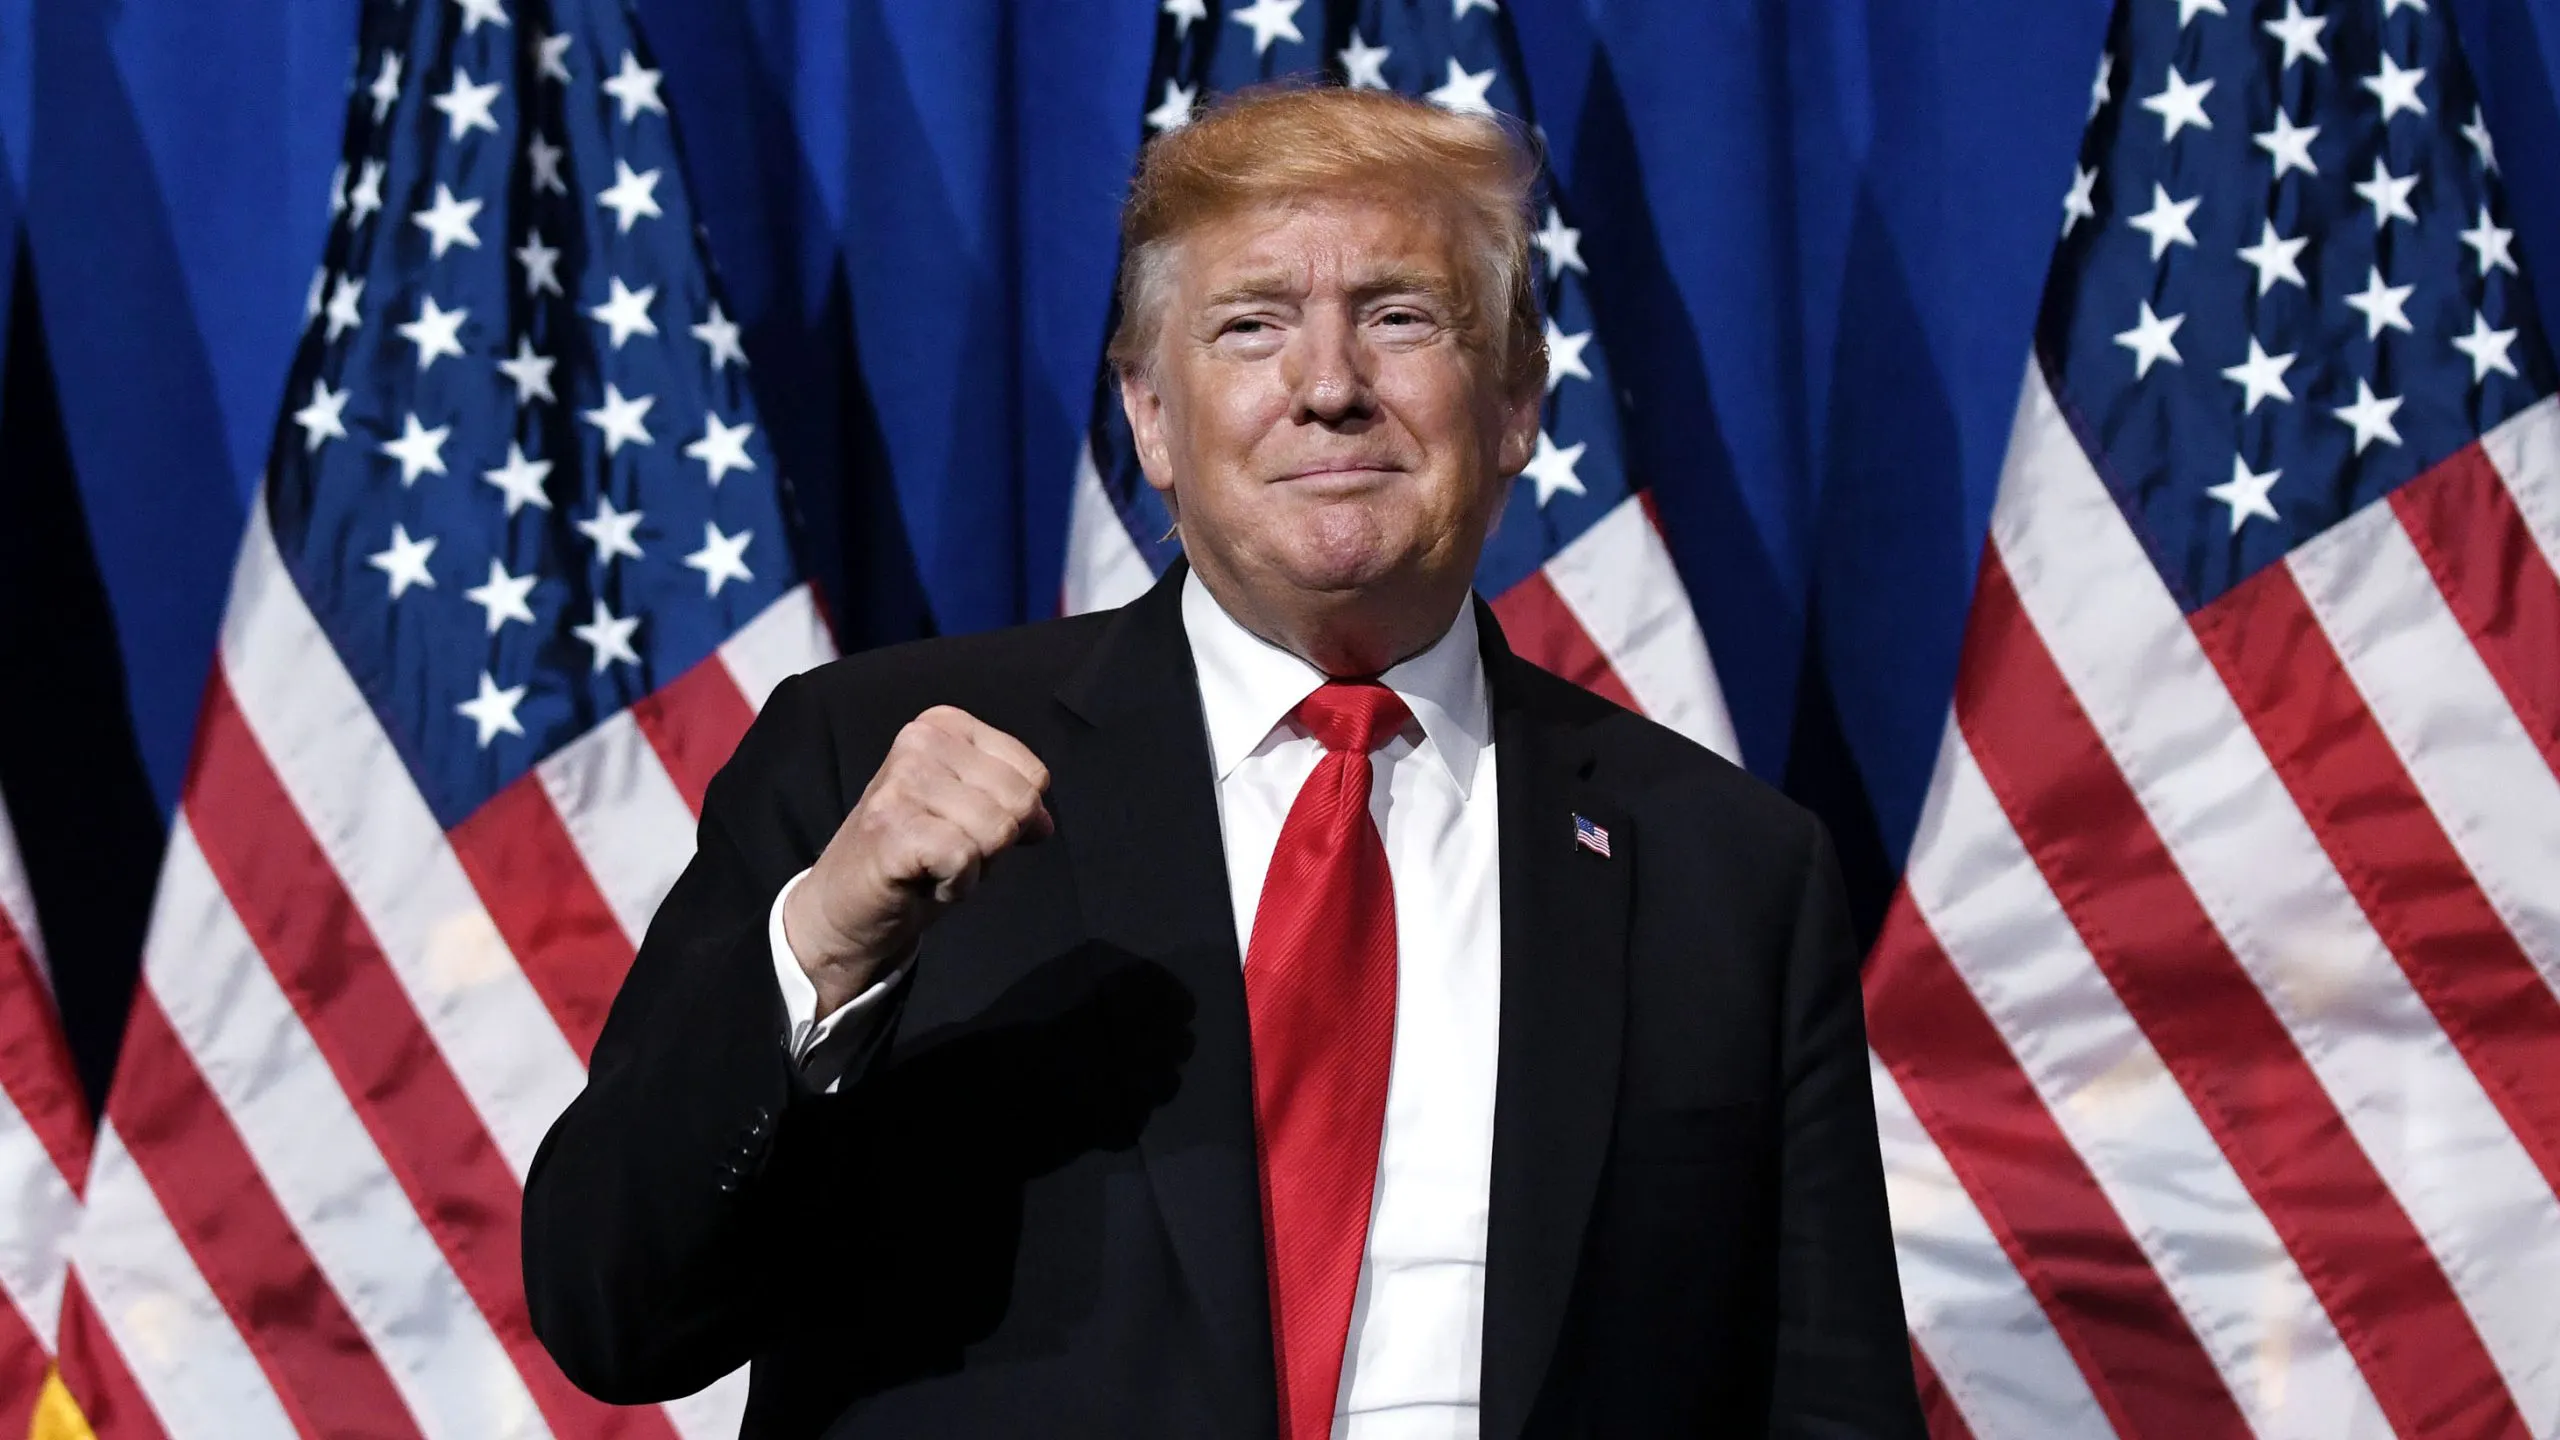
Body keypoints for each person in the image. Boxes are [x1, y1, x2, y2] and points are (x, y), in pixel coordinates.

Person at [522, 85, 1923, 1440]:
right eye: (1252, 325)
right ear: (1149, 421)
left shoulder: (1727, 866)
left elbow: (1826, 1402)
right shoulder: (865, 760)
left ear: (1511, 408)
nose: (1329, 387)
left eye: (1399, 316)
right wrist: (823, 947)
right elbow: (613, 1314)